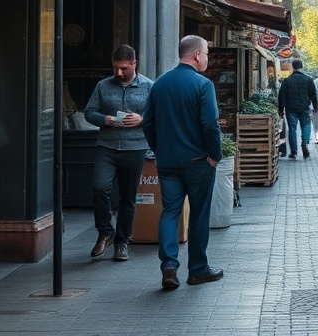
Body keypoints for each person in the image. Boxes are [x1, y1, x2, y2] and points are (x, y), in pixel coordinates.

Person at [142, 35, 223, 291]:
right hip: (198, 161)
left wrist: (159, 149)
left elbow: (148, 122)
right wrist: (215, 154)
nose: (208, 58)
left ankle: (169, 266)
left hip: (168, 162)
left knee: (170, 212)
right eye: (207, 53)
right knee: (198, 215)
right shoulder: (203, 84)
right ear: (197, 55)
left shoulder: (160, 84)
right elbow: (210, 125)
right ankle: (198, 270)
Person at [83, 44, 153, 261]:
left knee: (128, 198)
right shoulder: (103, 86)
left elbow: (158, 115)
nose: (119, 73)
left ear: (134, 63)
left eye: (123, 68)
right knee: (100, 187)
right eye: (115, 68)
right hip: (107, 146)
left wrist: (142, 119)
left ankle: (123, 242)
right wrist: (105, 119)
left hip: (136, 147)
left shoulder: (150, 86)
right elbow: (89, 112)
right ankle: (105, 232)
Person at [278, 58, 318, 160]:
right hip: (305, 107)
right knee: (306, 125)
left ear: (292, 67)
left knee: (292, 129)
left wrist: (281, 109)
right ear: (302, 67)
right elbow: (313, 95)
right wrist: (316, 107)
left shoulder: (287, 80)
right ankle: (304, 143)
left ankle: (294, 151)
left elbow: (281, 96)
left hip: (291, 108)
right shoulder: (308, 79)